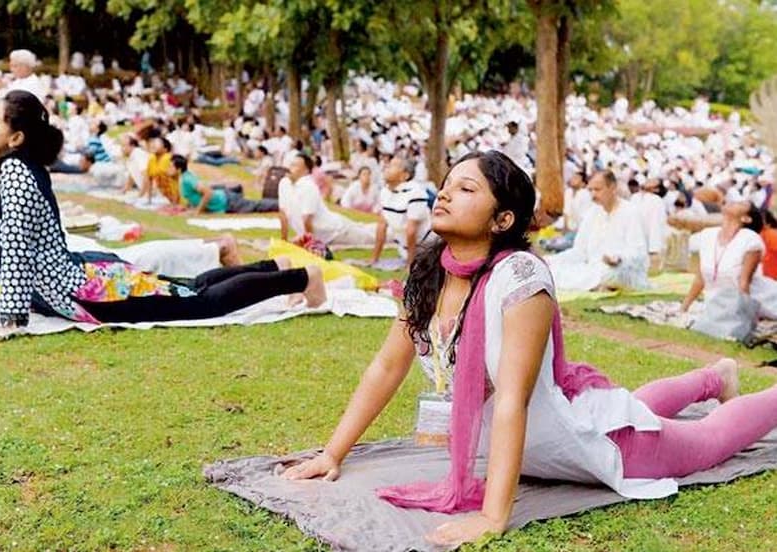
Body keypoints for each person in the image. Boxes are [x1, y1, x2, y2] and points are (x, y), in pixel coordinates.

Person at [281, 150, 777, 547]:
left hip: (600, 444)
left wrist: (493, 516)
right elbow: (387, 367)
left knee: (705, 440)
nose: (447, 193)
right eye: (449, 184)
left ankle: (742, 388)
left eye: (467, 188)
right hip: (555, 429)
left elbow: (513, 397)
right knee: (635, 407)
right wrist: (332, 453)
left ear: (502, 219)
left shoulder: (521, 277)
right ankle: (715, 377)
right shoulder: (428, 271)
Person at [0, 90, 326, 327]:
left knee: (199, 301)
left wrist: (12, 318)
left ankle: (302, 278)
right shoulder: (5, 170)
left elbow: (18, 252)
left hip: (92, 291)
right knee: (188, 288)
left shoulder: (17, 175)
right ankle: (275, 267)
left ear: (16, 138)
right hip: (82, 281)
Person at [548, 170, 649, 291]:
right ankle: (595, 285)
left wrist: (619, 259)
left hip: (621, 270)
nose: (593, 195)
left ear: (612, 187)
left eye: (597, 189)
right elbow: (579, 251)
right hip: (592, 269)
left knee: (609, 274)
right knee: (553, 268)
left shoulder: (630, 212)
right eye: (590, 190)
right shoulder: (592, 213)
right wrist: (552, 260)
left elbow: (638, 251)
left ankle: (598, 284)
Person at [682, 201, 777, 319]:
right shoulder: (707, 235)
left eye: (741, 204)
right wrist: (684, 308)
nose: (733, 202)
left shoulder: (750, 240)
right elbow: (700, 278)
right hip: (716, 302)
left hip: (761, 298)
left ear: (746, 218)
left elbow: (744, 283)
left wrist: (744, 318)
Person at [278, 153, 376, 247]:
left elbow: (307, 220)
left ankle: (388, 229)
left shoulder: (308, 187)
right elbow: (283, 214)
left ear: (306, 171)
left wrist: (310, 245)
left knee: (370, 237)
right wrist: (284, 241)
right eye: (291, 164)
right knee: (363, 227)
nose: (291, 167)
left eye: (295, 165)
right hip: (329, 226)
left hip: (336, 231)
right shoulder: (284, 183)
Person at [370, 156, 433, 267]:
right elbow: (381, 226)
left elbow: (411, 230)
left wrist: (410, 264)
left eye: (394, 165)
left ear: (405, 176)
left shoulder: (416, 193)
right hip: (404, 250)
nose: (387, 167)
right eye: (389, 164)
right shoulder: (385, 192)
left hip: (427, 249)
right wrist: (374, 259)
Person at [170, 155, 278, 215]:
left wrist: (198, 211)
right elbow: (195, 195)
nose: (168, 170)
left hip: (227, 201)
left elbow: (208, 192)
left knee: (257, 206)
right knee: (255, 204)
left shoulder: (187, 179)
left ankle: (282, 204)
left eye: (170, 167)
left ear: (178, 169)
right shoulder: (184, 178)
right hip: (224, 199)